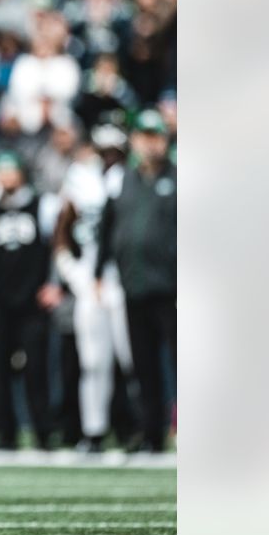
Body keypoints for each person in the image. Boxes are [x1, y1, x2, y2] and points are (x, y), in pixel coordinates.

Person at [96, 110, 175, 452]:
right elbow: (107, 228)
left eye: (155, 136)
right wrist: (99, 272)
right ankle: (152, 433)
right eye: (143, 137)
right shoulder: (120, 179)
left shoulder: (179, 177)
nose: (149, 143)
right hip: (134, 283)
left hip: (172, 288)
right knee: (142, 365)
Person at [0, 153, 57, 450]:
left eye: (10, 171)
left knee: (36, 369)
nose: (6, 178)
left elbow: (58, 246)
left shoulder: (42, 205)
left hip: (32, 301)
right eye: (0, 173)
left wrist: (55, 284)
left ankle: (43, 432)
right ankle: (5, 433)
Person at [53, 123, 134, 452]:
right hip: (90, 279)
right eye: (104, 152)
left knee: (131, 359)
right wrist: (74, 274)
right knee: (93, 361)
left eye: (115, 152)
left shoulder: (131, 180)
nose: (109, 159)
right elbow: (62, 232)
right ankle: (94, 429)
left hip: (124, 277)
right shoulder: (80, 179)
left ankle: (139, 428)